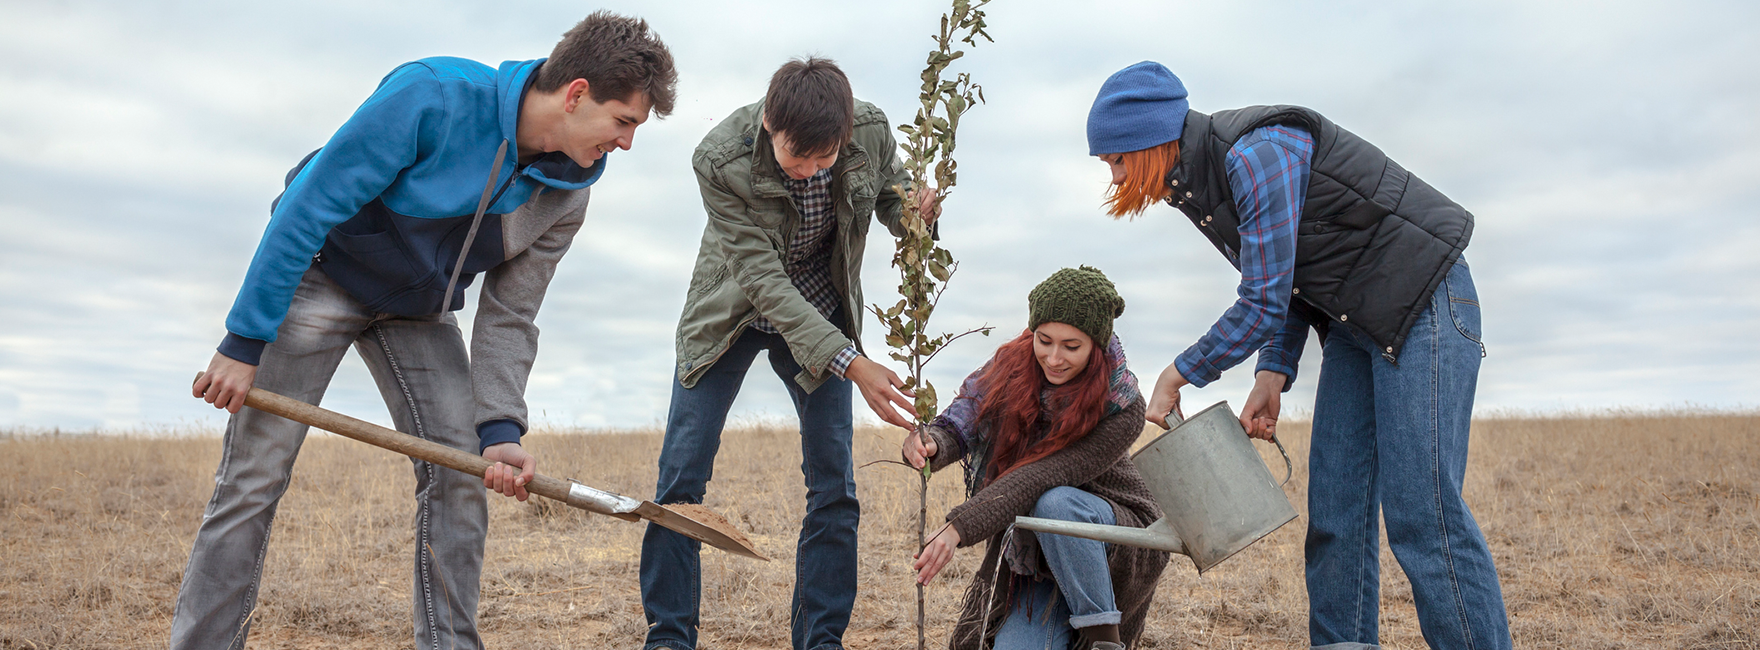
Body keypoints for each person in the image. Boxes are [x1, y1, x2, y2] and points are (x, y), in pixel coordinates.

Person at [174, 12, 676, 650]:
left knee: (462, 472)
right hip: (324, 274)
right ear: (576, 94)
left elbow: (510, 313)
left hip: (418, 310)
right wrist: (243, 343)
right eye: (624, 122)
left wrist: (499, 430)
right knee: (255, 474)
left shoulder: (567, 196)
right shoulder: (432, 95)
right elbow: (309, 204)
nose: (627, 144)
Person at [1085, 61, 1510, 649]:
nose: (1115, 176)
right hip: (1356, 326)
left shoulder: (1256, 154)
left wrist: (1177, 373)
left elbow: (1260, 299)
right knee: (1336, 522)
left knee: (1424, 519)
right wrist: (1272, 372)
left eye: (1116, 160)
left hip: (1424, 303)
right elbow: (1285, 281)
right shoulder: (1201, 183)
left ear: (1149, 138)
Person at [640, 57, 937, 650]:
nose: (807, 173)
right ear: (769, 123)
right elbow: (763, 280)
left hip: (824, 306)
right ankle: (670, 638)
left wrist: (914, 216)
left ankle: (820, 639)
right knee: (679, 483)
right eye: (793, 159)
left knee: (834, 486)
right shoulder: (717, 159)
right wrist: (852, 361)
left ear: (845, 134)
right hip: (734, 308)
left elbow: (888, 197)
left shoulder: (872, 132)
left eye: (822, 161)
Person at [905, 266, 1169, 650]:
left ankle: (1103, 640)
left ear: (1096, 344)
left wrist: (959, 526)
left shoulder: (1122, 405)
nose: (1054, 358)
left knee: (1055, 502)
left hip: (1114, 539)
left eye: (1071, 346)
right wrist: (932, 443)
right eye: (1044, 340)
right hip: (1037, 552)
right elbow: (964, 419)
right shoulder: (1008, 369)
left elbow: (1045, 474)